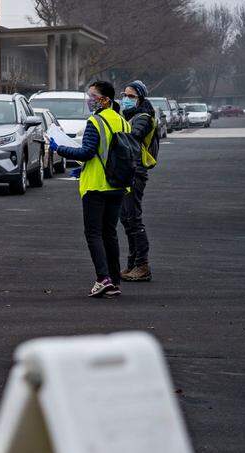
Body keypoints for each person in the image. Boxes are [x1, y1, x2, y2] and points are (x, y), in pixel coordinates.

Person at [49, 80, 131, 298]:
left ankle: (103, 279)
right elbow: (109, 155)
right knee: (110, 233)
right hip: (118, 186)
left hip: (96, 187)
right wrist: (83, 169)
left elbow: (86, 152)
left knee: (93, 233)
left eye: (92, 95)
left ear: (104, 99)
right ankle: (114, 280)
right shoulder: (123, 122)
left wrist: (60, 148)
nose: (89, 99)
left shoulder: (95, 121)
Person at [119, 80, 160, 282]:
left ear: (140, 98)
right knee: (126, 218)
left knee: (133, 218)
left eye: (131, 96)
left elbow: (131, 138)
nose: (126, 99)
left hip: (135, 171)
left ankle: (142, 265)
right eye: (124, 95)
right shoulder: (129, 115)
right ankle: (132, 263)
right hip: (128, 170)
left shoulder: (143, 117)